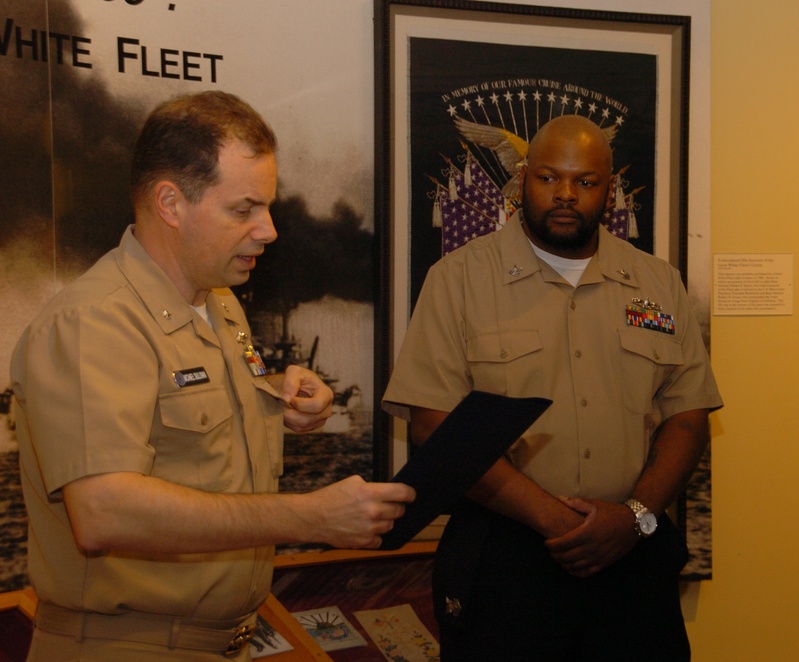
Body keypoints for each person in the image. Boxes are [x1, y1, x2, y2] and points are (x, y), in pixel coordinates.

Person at [9, 91, 416, 661]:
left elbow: (185, 412)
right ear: (171, 203)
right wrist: (310, 514)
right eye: (243, 209)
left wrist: (283, 396)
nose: (269, 230)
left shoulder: (219, 303)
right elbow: (103, 511)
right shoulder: (93, 321)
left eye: (267, 207)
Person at [382, 115, 722, 661]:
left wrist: (633, 517)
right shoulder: (459, 280)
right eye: (548, 178)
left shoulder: (658, 283)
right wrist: (557, 521)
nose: (565, 194)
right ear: (521, 180)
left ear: (609, 189)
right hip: (505, 561)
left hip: (630, 555)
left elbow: (688, 416)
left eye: (585, 182)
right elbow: (433, 423)